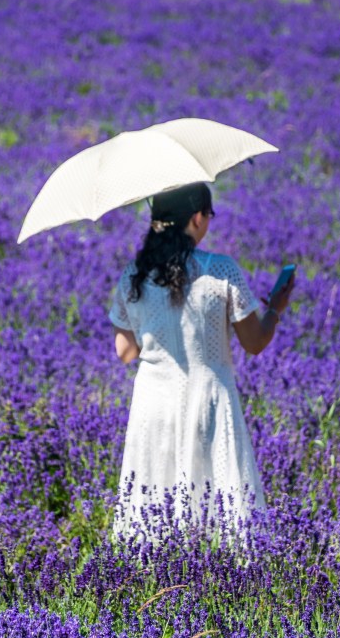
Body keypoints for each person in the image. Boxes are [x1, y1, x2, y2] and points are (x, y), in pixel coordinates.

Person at [108, 182, 295, 539]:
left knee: (153, 505)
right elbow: (254, 342)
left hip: (154, 405)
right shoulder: (221, 270)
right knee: (221, 506)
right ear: (196, 218)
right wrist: (275, 310)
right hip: (209, 398)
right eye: (209, 214)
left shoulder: (132, 276)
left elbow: (125, 352)